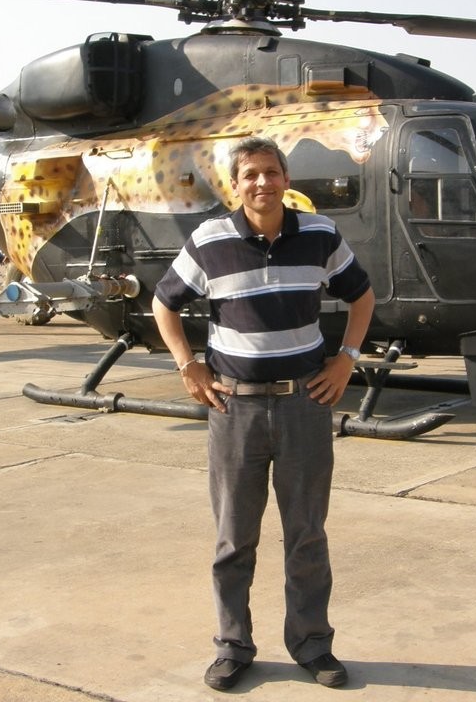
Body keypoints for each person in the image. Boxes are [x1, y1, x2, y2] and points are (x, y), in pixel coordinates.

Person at [152, 136, 375, 691]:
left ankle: (312, 645)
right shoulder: (210, 240)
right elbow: (165, 303)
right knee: (234, 539)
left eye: (272, 172)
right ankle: (233, 647)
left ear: (286, 178)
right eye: (250, 174)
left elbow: (362, 296)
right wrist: (188, 367)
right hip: (235, 408)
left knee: (306, 535)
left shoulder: (320, 234)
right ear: (236, 183)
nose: (262, 183)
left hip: (305, 404)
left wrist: (346, 360)